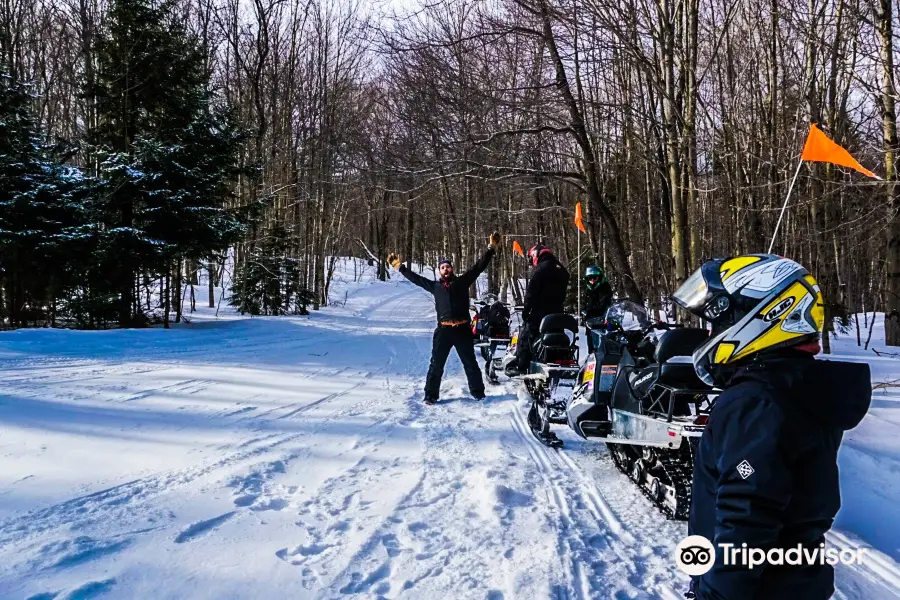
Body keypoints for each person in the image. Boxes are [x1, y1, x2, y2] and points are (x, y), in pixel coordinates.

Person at [671, 254, 871, 600]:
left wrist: (716, 595)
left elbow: (745, 522)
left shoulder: (755, 402)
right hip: (797, 579)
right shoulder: (796, 387)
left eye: (718, 321)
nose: (709, 333)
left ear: (766, 314)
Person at [387, 232, 500, 405]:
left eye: (448, 266)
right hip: (444, 330)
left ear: (452, 269)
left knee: (470, 363)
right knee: (436, 365)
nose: (446, 269)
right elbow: (416, 279)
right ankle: (430, 396)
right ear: (439, 271)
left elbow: (478, 267)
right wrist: (399, 267)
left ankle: (478, 393)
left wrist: (491, 249)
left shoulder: (462, 282)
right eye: (442, 267)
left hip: (462, 329)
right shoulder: (435, 286)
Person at [509, 244, 569, 375]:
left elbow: (531, 292)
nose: (532, 262)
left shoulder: (541, 269)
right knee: (557, 338)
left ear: (536, 254)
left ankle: (521, 365)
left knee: (526, 334)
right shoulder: (561, 269)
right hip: (558, 312)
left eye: (531, 258)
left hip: (540, 312)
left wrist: (526, 310)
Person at [582, 265, 613, 353]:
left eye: (594, 277)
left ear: (599, 277)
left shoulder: (604, 288)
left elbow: (604, 305)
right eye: (589, 278)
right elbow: (586, 304)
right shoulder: (589, 290)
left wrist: (590, 312)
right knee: (592, 348)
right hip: (591, 322)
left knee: (600, 348)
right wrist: (584, 310)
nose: (592, 280)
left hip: (601, 322)